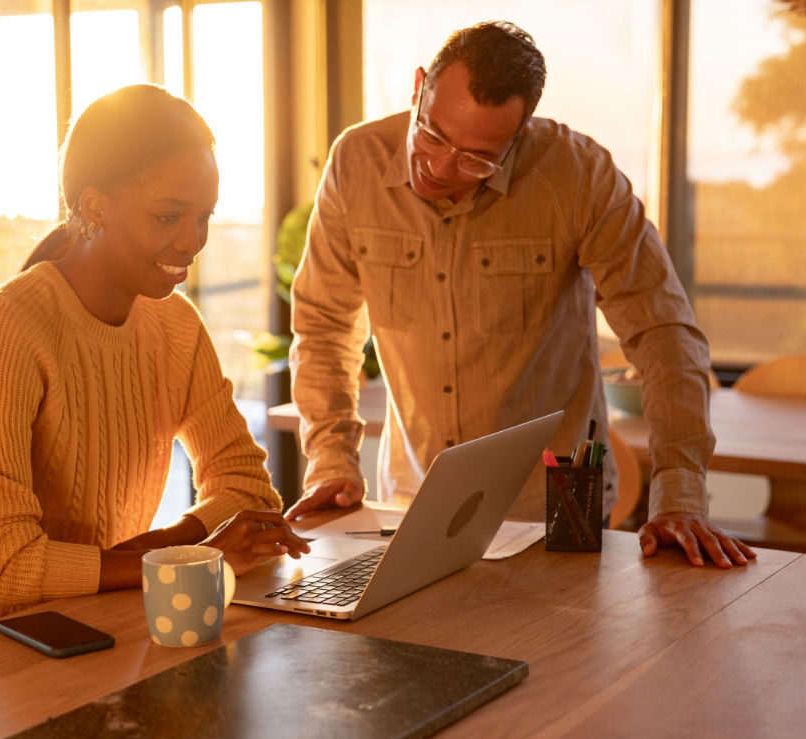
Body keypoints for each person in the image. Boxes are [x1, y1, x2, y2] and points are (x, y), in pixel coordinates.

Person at [285, 21, 754, 569]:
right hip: (415, 497)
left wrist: (680, 495)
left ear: (521, 131)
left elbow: (663, 332)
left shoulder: (578, 176)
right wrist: (331, 460)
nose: (440, 167)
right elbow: (324, 327)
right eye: (432, 135)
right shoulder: (356, 163)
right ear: (418, 89)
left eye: (477, 158)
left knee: (570, 628)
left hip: (559, 503)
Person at [0, 84, 308, 657]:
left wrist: (174, 547)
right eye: (168, 216)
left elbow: (247, 489)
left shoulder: (176, 326)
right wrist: (187, 555)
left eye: (204, 215)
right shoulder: (6, 330)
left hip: (79, 628)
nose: (193, 241)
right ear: (94, 206)